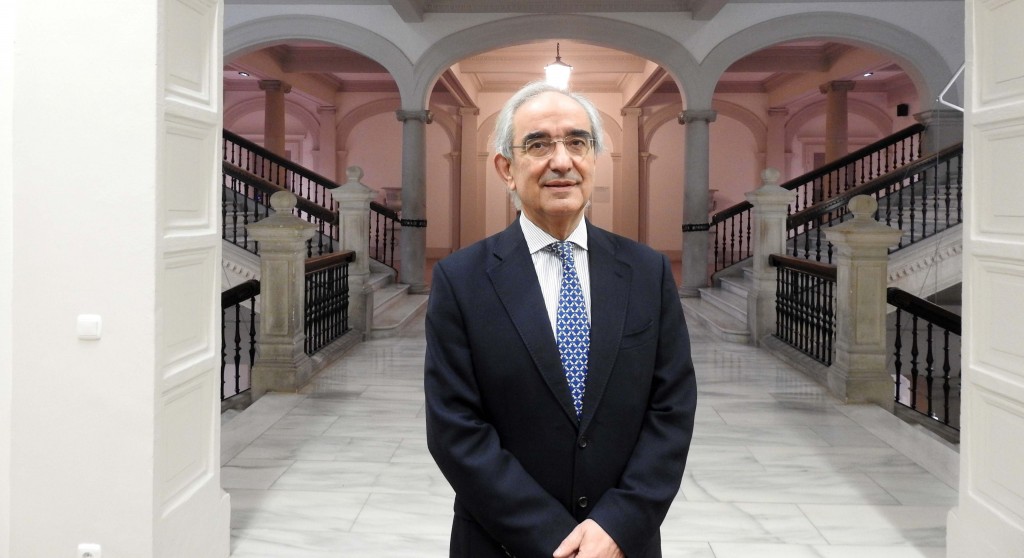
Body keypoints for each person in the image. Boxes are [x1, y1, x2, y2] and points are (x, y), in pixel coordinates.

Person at [424, 81, 697, 558]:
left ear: (593, 159)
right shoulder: (460, 280)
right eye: (538, 144)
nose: (561, 161)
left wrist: (618, 524)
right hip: (503, 542)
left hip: (621, 545)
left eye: (577, 142)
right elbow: (455, 427)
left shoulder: (646, 272)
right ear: (506, 169)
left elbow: (671, 408)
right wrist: (551, 538)